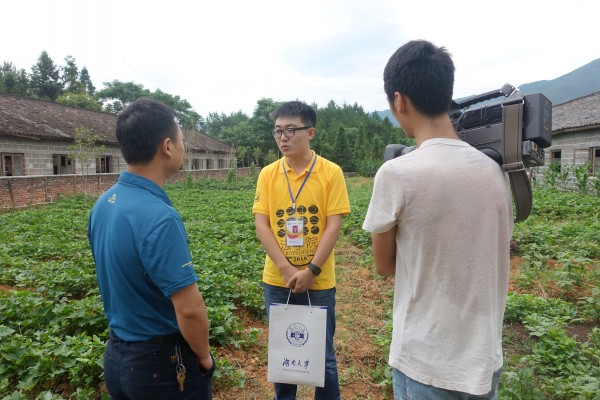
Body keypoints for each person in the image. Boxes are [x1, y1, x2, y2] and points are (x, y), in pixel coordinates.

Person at [362, 40, 514, 399]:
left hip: (427, 362)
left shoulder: (397, 173)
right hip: (484, 360)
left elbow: (384, 266)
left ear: (399, 100)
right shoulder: (497, 170)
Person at [88, 97, 214, 399]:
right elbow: (190, 309)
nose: (183, 148)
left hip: (117, 357)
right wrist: (204, 357)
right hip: (160, 368)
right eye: (182, 140)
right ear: (167, 146)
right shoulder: (160, 217)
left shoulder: (102, 204)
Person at [253, 101, 351, 400]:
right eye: (278, 131)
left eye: (291, 130)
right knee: (284, 353)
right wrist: (285, 269)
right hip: (277, 280)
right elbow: (262, 225)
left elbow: (333, 226)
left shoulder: (330, 172)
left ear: (310, 132)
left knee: (323, 357)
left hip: (318, 281)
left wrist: (312, 270)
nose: (283, 138)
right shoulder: (268, 174)